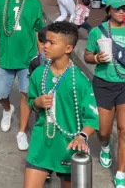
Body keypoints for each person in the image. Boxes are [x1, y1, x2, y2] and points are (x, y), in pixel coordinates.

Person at [84, 0, 125, 188]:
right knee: (103, 131)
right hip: (104, 84)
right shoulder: (97, 32)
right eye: (117, 8)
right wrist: (96, 58)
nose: (121, 12)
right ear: (109, 10)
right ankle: (105, 146)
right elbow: (87, 55)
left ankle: (120, 174)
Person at [24, 22, 98, 188]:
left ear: (68, 48)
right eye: (45, 41)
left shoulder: (80, 81)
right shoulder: (38, 74)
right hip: (42, 143)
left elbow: (93, 117)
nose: (45, 45)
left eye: (52, 42)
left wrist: (82, 136)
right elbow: (31, 103)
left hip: (69, 145)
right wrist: (37, 102)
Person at [0, 0, 44, 149]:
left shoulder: (34, 3)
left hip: (28, 58)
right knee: (1, 93)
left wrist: (42, 55)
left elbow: (37, 31)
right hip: (6, 57)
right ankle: (7, 109)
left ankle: (21, 132)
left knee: (26, 94)